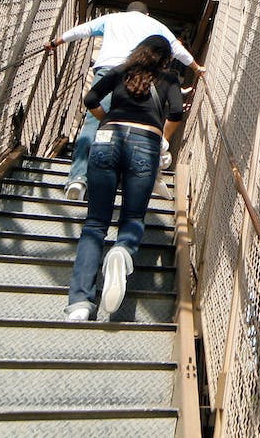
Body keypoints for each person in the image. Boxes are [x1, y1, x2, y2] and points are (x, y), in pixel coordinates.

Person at [64, 35, 184, 321]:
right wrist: (162, 138)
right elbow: (177, 112)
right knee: (132, 218)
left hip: (108, 137)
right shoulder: (169, 78)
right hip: (145, 142)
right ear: (166, 58)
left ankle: (80, 304)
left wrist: (106, 117)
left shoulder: (120, 70)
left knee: (95, 223)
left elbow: (90, 98)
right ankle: (122, 250)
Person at [44, 1, 205, 201]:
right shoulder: (155, 25)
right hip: (139, 74)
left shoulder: (111, 19)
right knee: (136, 123)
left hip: (107, 70)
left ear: (126, 11)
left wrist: (55, 42)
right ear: (147, 14)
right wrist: (197, 68)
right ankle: (127, 180)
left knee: (92, 124)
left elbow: (82, 30)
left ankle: (78, 178)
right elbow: (176, 49)